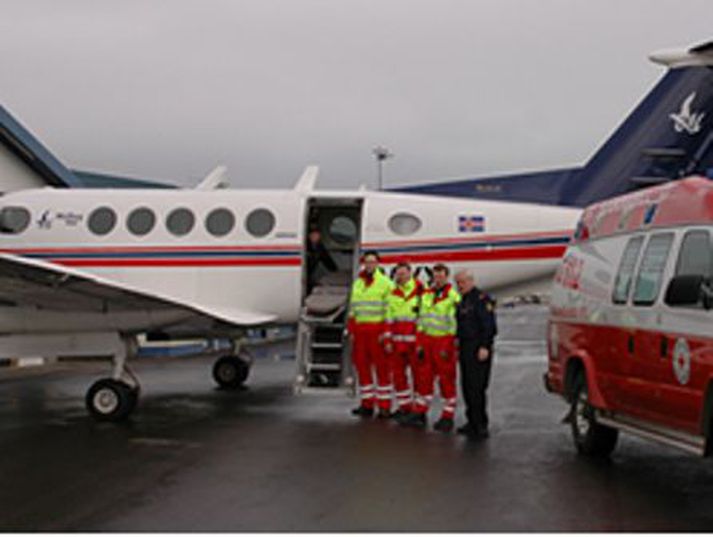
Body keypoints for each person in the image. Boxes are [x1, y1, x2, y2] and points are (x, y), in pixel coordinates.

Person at [405, 263, 460, 432]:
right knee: (424, 378)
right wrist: (420, 343)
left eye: (441, 276)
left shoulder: (454, 297)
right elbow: (421, 320)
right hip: (427, 341)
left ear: (446, 276)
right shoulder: (426, 295)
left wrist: (450, 344)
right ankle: (420, 412)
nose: (438, 279)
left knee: (446, 380)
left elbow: (457, 324)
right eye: (435, 276)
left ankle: (447, 416)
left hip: (444, 342)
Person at [346, 251, 393, 418]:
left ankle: (384, 406)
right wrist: (351, 330)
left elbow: (389, 311)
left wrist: (386, 333)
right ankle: (367, 404)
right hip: (360, 332)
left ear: (378, 263)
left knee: (382, 369)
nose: (370, 265)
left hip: (377, 331)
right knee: (362, 368)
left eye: (373, 262)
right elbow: (353, 309)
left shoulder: (386, 283)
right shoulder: (357, 283)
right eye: (367, 262)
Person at [454, 269, 497, 440]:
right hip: (465, 347)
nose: (459, 286)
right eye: (457, 283)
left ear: (471, 281)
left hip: (478, 347)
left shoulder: (481, 300)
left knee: (477, 388)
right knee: (466, 386)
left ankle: (481, 424)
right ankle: (471, 421)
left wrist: (485, 346)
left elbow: (489, 325)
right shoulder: (463, 300)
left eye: (462, 282)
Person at [383, 260, 423, 422]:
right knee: (398, 377)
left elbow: (424, 318)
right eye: (399, 273)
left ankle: (419, 411)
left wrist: (422, 342)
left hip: (415, 343)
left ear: (410, 273)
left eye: (404, 273)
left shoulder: (421, 291)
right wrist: (387, 339)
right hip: (397, 342)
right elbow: (388, 317)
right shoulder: (392, 293)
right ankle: (404, 407)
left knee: (418, 377)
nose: (401, 276)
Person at [305, 225, 337, 294]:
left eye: (317, 234)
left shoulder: (319, 247)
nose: (315, 237)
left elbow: (326, 259)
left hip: (310, 272)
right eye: (313, 235)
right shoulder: (305, 247)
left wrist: (335, 270)